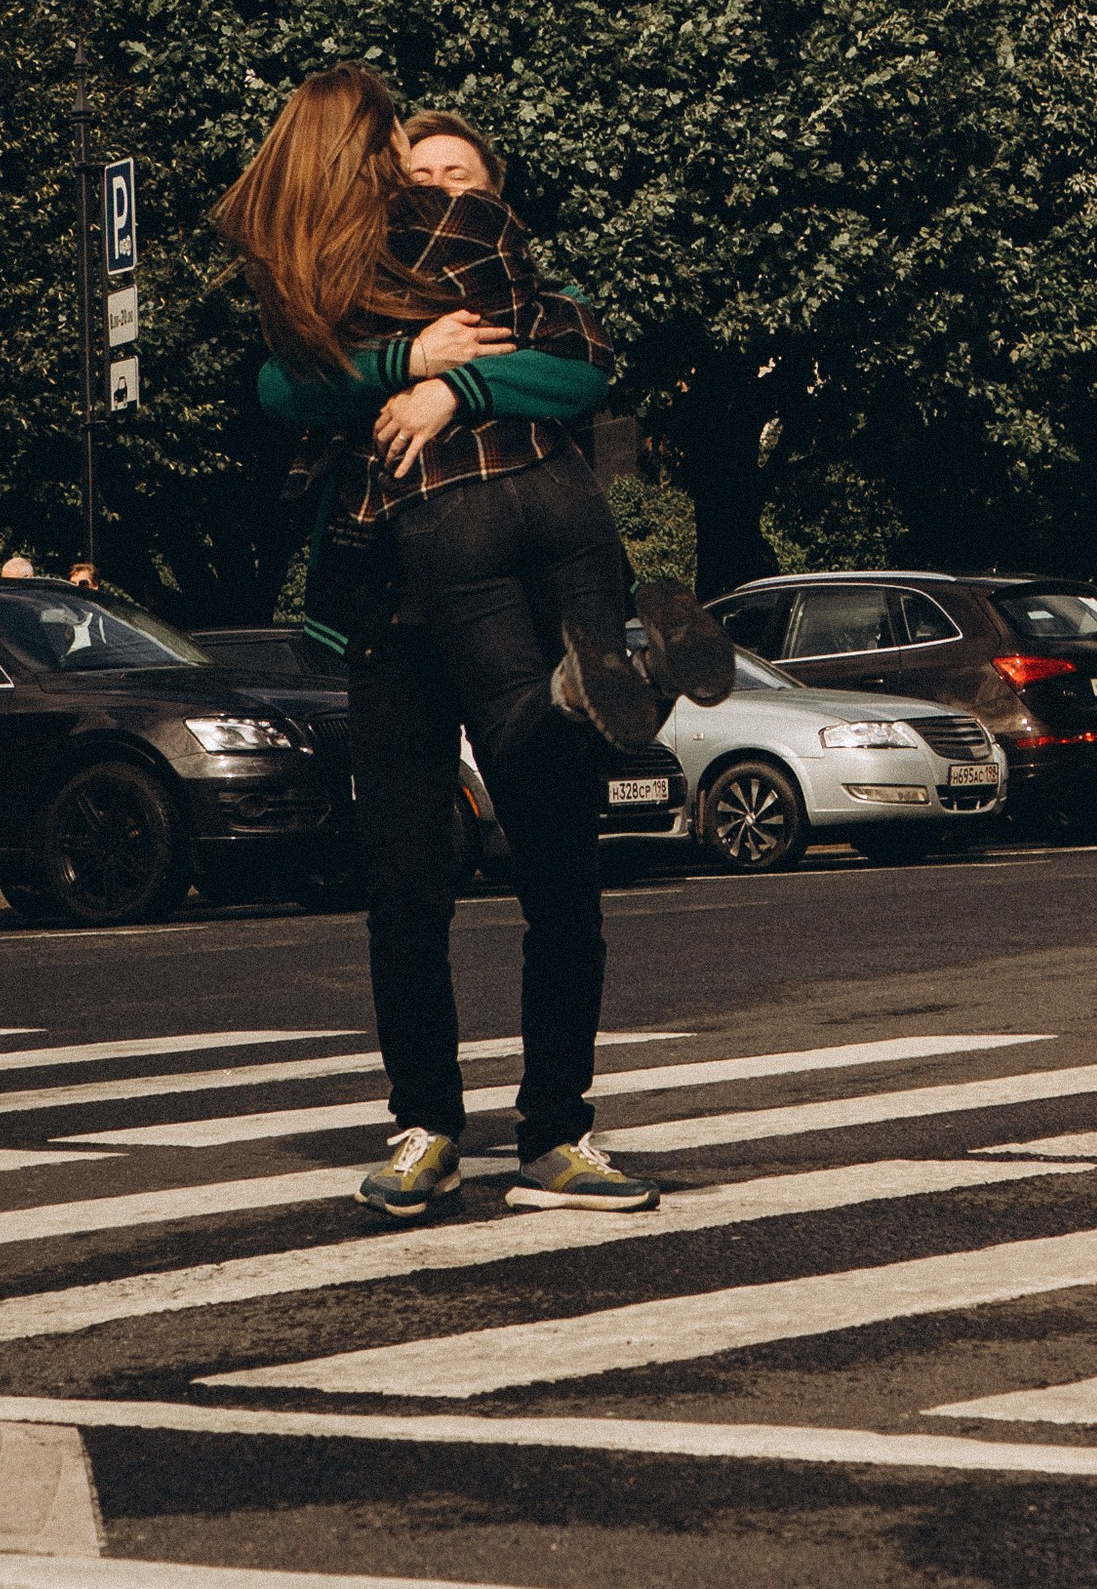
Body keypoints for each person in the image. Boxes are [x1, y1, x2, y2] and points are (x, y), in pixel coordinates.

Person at [219, 66, 730, 1227]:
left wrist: (462, 386)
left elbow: (580, 368)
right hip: (391, 617)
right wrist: (405, 361)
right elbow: (281, 386)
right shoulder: (351, 287)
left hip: (507, 592)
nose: (438, 189)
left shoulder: (514, 282)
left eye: (459, 177)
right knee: (406, 879)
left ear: (490, 196)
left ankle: (556, 1132)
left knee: (559, 870)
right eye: (420, 171)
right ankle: (427, 1126)